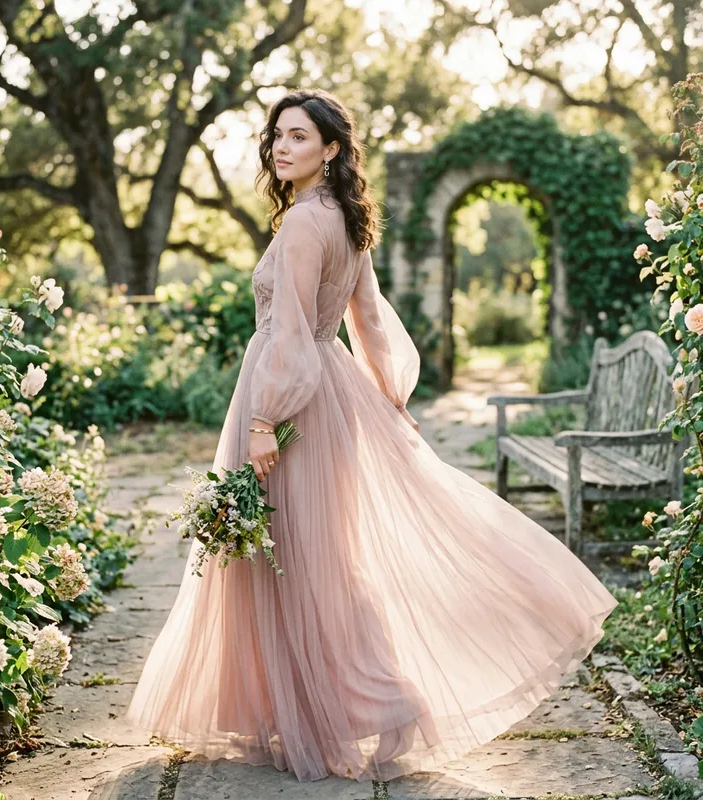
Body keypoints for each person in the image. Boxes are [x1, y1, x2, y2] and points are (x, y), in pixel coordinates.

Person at [126, 88, 618, 783]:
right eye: (277, 137)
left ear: (331, 149)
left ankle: (374, 702)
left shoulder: (304, 222)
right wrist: (387, 397)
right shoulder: (345, 218)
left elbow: (295, 330)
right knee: (319, 556)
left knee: (293, 557)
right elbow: (369, 324)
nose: (281, 147)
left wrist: (265, 418)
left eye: (298, 136)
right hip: (328, 394)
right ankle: (321, 706)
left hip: (290, 397)